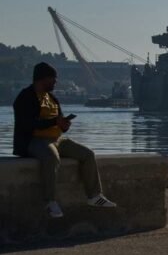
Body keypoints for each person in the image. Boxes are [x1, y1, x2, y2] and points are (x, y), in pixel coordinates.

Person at [13, 62, 116, 218]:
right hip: (35, 140)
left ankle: (94, 196)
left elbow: (59, 121)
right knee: (51, 158)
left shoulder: (52, 97)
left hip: (57, 138)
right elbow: (27, 124)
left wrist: (64, 125)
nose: (56, 82)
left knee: (87, 154)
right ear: (43, 79)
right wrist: (55, 122)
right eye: (53, 79)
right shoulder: (25, 97)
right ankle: (50, 201)